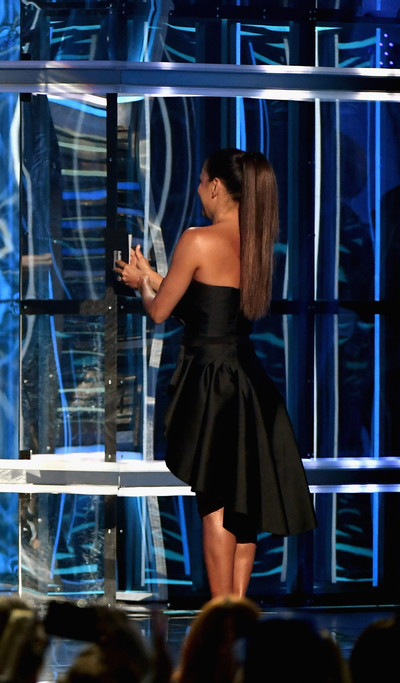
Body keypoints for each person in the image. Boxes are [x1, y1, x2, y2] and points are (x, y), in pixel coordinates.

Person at [114, 148, 316, 598]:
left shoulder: (197, 238)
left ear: (216, 187)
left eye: (202, 180)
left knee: (215, 505)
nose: (199, 190)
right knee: (243, 507)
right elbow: (208, 309)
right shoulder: (256, 242)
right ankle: (237, 611)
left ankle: (220, 617)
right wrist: (155, 275)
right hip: (249, 381)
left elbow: (162, 312)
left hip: (210, 383)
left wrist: (141, 282)